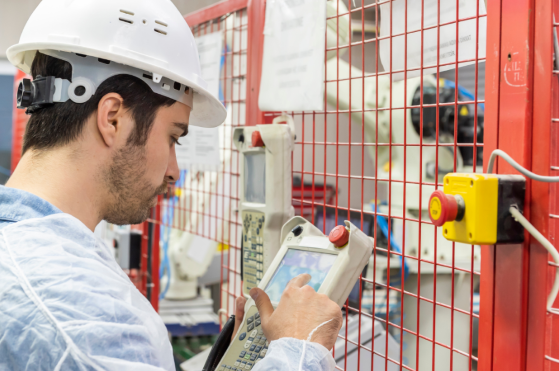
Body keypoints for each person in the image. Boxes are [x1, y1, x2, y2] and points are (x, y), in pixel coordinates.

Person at [0, 0, 343, 370]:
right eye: (173, 137)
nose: (174, 171)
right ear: (112, 118)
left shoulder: (27, 250)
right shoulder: (82, 319)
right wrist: (298, 350)